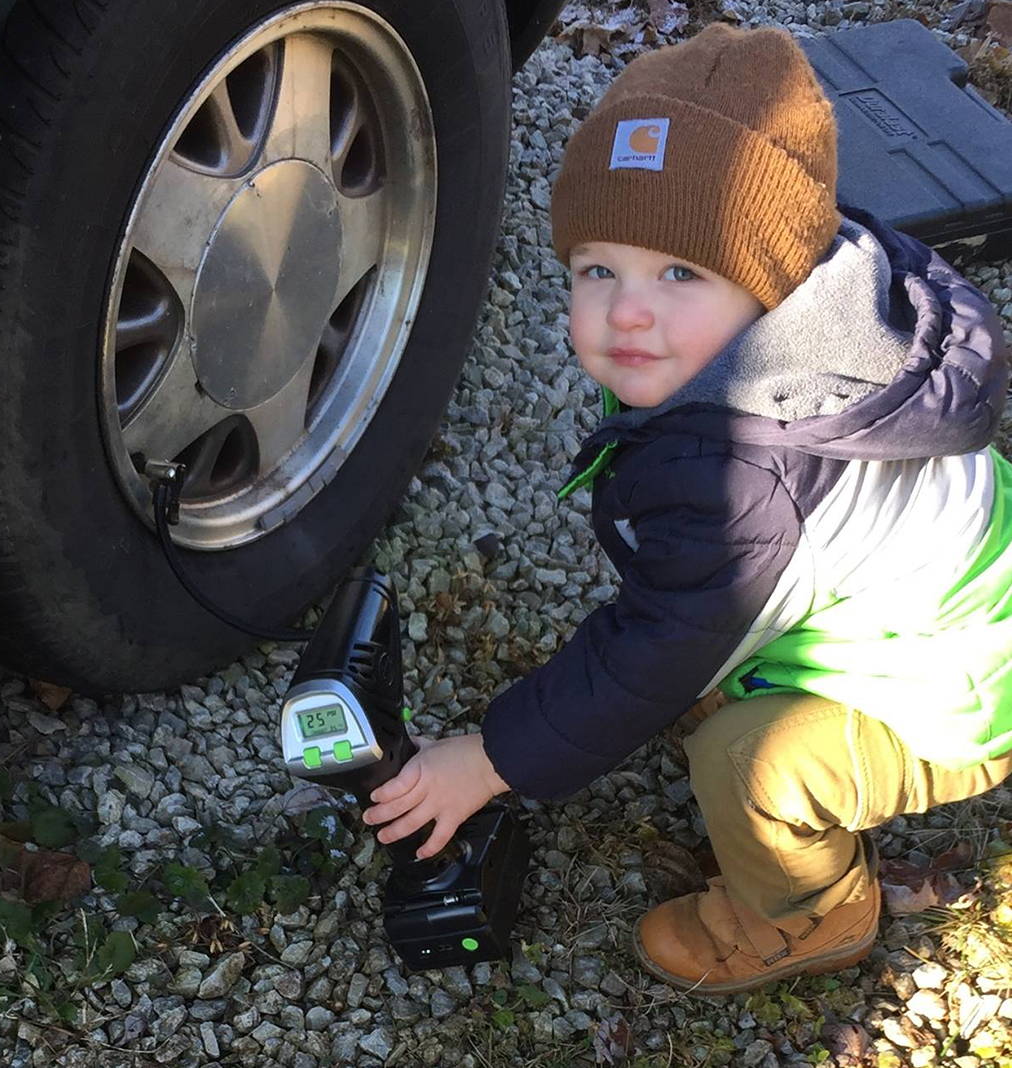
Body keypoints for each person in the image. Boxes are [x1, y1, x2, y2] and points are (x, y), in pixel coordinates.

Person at [362, 22, 1012, 993]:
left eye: (679, 273)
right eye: (598, 269)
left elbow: (652, 651)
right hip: (933, 609)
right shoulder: (793, 346)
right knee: (710, 664)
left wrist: (490, 759)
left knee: (751, 767)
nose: (628, 310)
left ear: (770, 283)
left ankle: (809, 913)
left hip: (953, 694)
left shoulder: (746, 474)